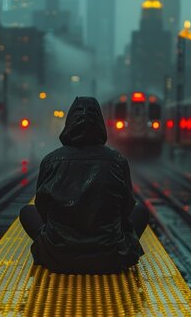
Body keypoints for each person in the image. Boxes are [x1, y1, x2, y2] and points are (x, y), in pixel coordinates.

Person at [19, 97, 148, 274]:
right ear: (100, 124)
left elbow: (42, 209)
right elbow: (127, 208)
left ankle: (52, 249)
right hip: (111, 257)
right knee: (141, 211)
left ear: (69, 122)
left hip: (57, 257)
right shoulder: (117, 160)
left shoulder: (51, 160)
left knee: (26, 212)